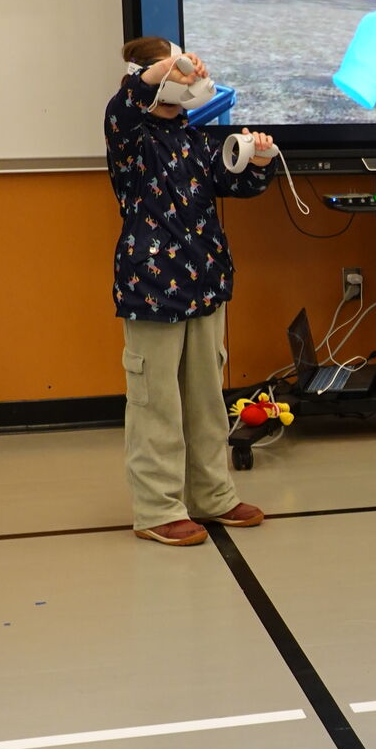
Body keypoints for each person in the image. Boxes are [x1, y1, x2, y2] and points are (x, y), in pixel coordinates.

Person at [106, 38, 275, 547]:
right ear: (154, 74)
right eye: (178, 67)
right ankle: (157, 507)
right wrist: (166, 67)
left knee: (205, 399)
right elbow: (127, 102)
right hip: (152, 288)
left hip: (204, 286)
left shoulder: (190, 136)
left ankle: (212, 495)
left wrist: (259, 160)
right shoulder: (130, 133)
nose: (191, 74)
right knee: (156, 401)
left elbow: (233, 184)